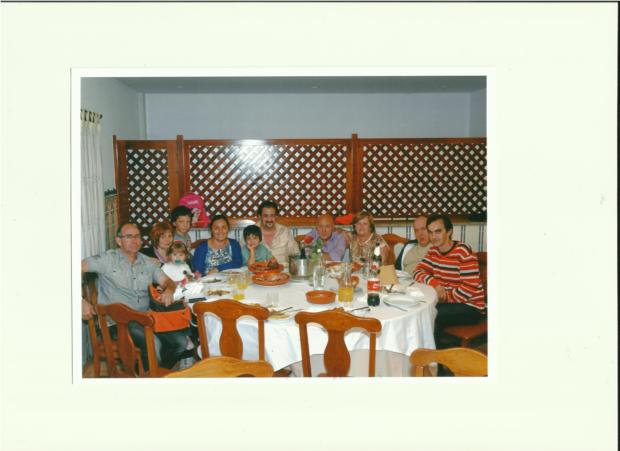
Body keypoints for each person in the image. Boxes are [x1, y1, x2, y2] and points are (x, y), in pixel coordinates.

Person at [81, 223, 189, 370]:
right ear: (119, 241)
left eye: (137, 236)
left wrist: (169, 290)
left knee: (181, 342)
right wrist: (80, 301)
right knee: (153, 344)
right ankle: (149, 376)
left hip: (145, 318)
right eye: (129, 236)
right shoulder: (107, 259)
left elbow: (167, 281)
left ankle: (153, 373)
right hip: (117, 321)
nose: (134, 240)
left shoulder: (148, 262)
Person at [412, 214, 486, 341]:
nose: (433, 237)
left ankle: (435, 352)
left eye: (438, 231)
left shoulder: (463, 251)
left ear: (449, 232)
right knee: (420, 309)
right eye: (430, 232)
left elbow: (469, 289)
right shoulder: (434, 251)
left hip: (471, 307)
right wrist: (435, 284)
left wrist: (444, 296)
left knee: (431, 313)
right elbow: (417, 272)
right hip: (449, 302)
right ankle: (426, 349)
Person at [256, 200, 299, 266]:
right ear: (260, 216)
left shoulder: (285, 231)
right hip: (259, 270)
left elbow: (296, 254)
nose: (269, 219)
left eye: (272, 215)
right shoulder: (250, 232)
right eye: (266, 216)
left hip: (283, 270)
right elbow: (243, 258)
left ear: (276, 216)